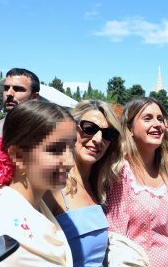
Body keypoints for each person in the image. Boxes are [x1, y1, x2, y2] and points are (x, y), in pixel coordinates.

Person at [0, 100, 75, 266]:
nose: (70, 162)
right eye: (55, 150)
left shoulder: (34, 207)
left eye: (72, 147)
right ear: (17, 155)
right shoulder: (3, 231)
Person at [104, 97, 168, 266]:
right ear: (129, 128)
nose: (157, 124)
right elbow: (116, 240)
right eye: (147, 118)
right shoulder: (120, 172)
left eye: (160, 119)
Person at [43, 100, 122, 266]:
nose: (98, 139)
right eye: (89, 129)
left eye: (108, 134)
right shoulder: (52, 186)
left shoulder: (99, 187)